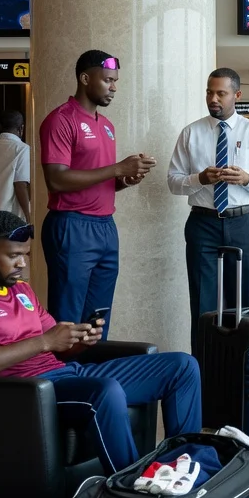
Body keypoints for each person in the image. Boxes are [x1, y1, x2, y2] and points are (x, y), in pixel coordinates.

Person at [0, 211, 202, 474]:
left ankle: (182, 469)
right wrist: (44, 342)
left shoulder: (22, 291)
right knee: (105, 390)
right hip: (29, 392)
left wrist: (81, 341)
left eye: (25, 255)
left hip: (69, 375)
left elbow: (57, 344)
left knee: (182, 366)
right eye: (13, 256)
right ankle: (131, 489)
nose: (22, 264)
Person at [39, 50, 157, 341]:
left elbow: (99, 180)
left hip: (105, 227)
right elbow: (56, 179)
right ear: (84, 78)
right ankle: (65, 380)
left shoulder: (106, 126)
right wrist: (117, 167)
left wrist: (124, 180)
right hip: (72, 225)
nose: (114, 87)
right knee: (69, 319)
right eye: (107, 80)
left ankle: (96, 380)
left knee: (98, 319)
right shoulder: (60, 120)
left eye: (115, 81)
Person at [167, 67, 249, 365]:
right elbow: (173, 181)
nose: (213, 98)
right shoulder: (191, 133)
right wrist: (199, 178)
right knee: (204, 302)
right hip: (203, 223)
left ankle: (240, 367)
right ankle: (204, 370)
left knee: (241, 302)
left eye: (221, 93)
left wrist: (247, 179)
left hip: (243, 222)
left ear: (237, 95)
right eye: (209, 92)